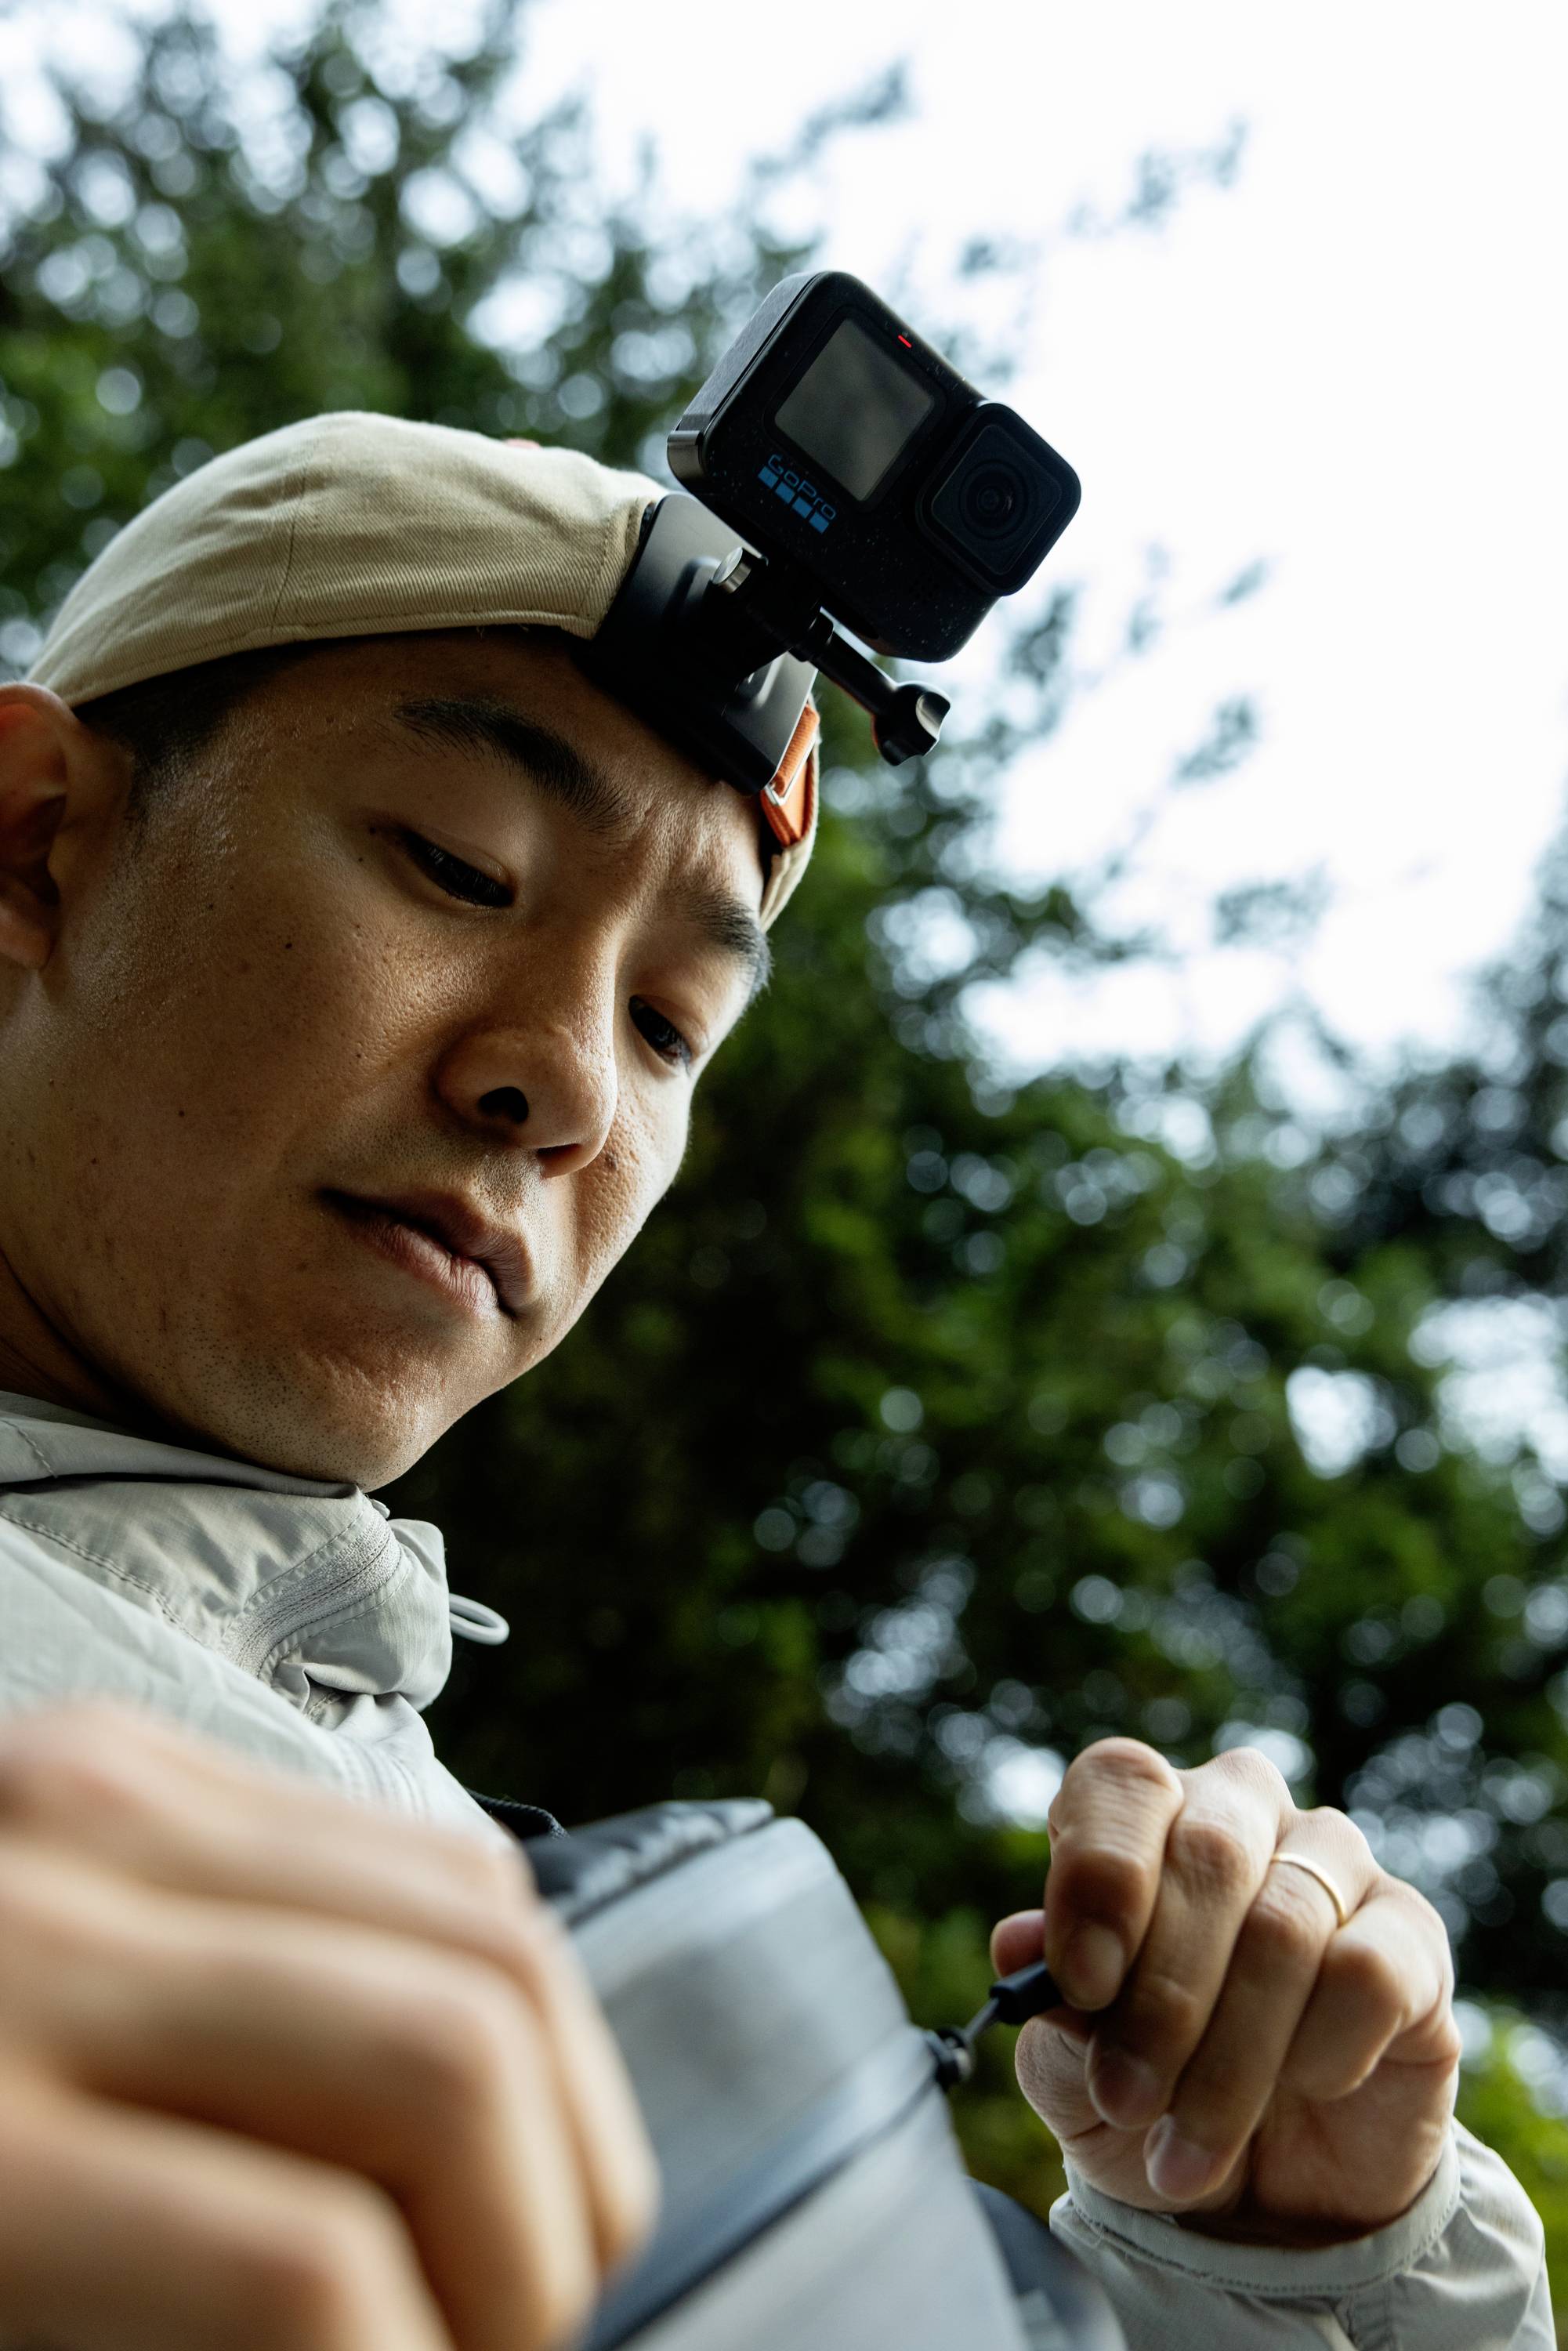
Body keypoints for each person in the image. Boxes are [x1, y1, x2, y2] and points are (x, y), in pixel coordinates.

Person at [0, 410, 1549, 2349]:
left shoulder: (527, 1937)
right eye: (454, 868)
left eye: (667, 1027)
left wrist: (1302, 2269)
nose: (564, 1083)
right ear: (36, 838)